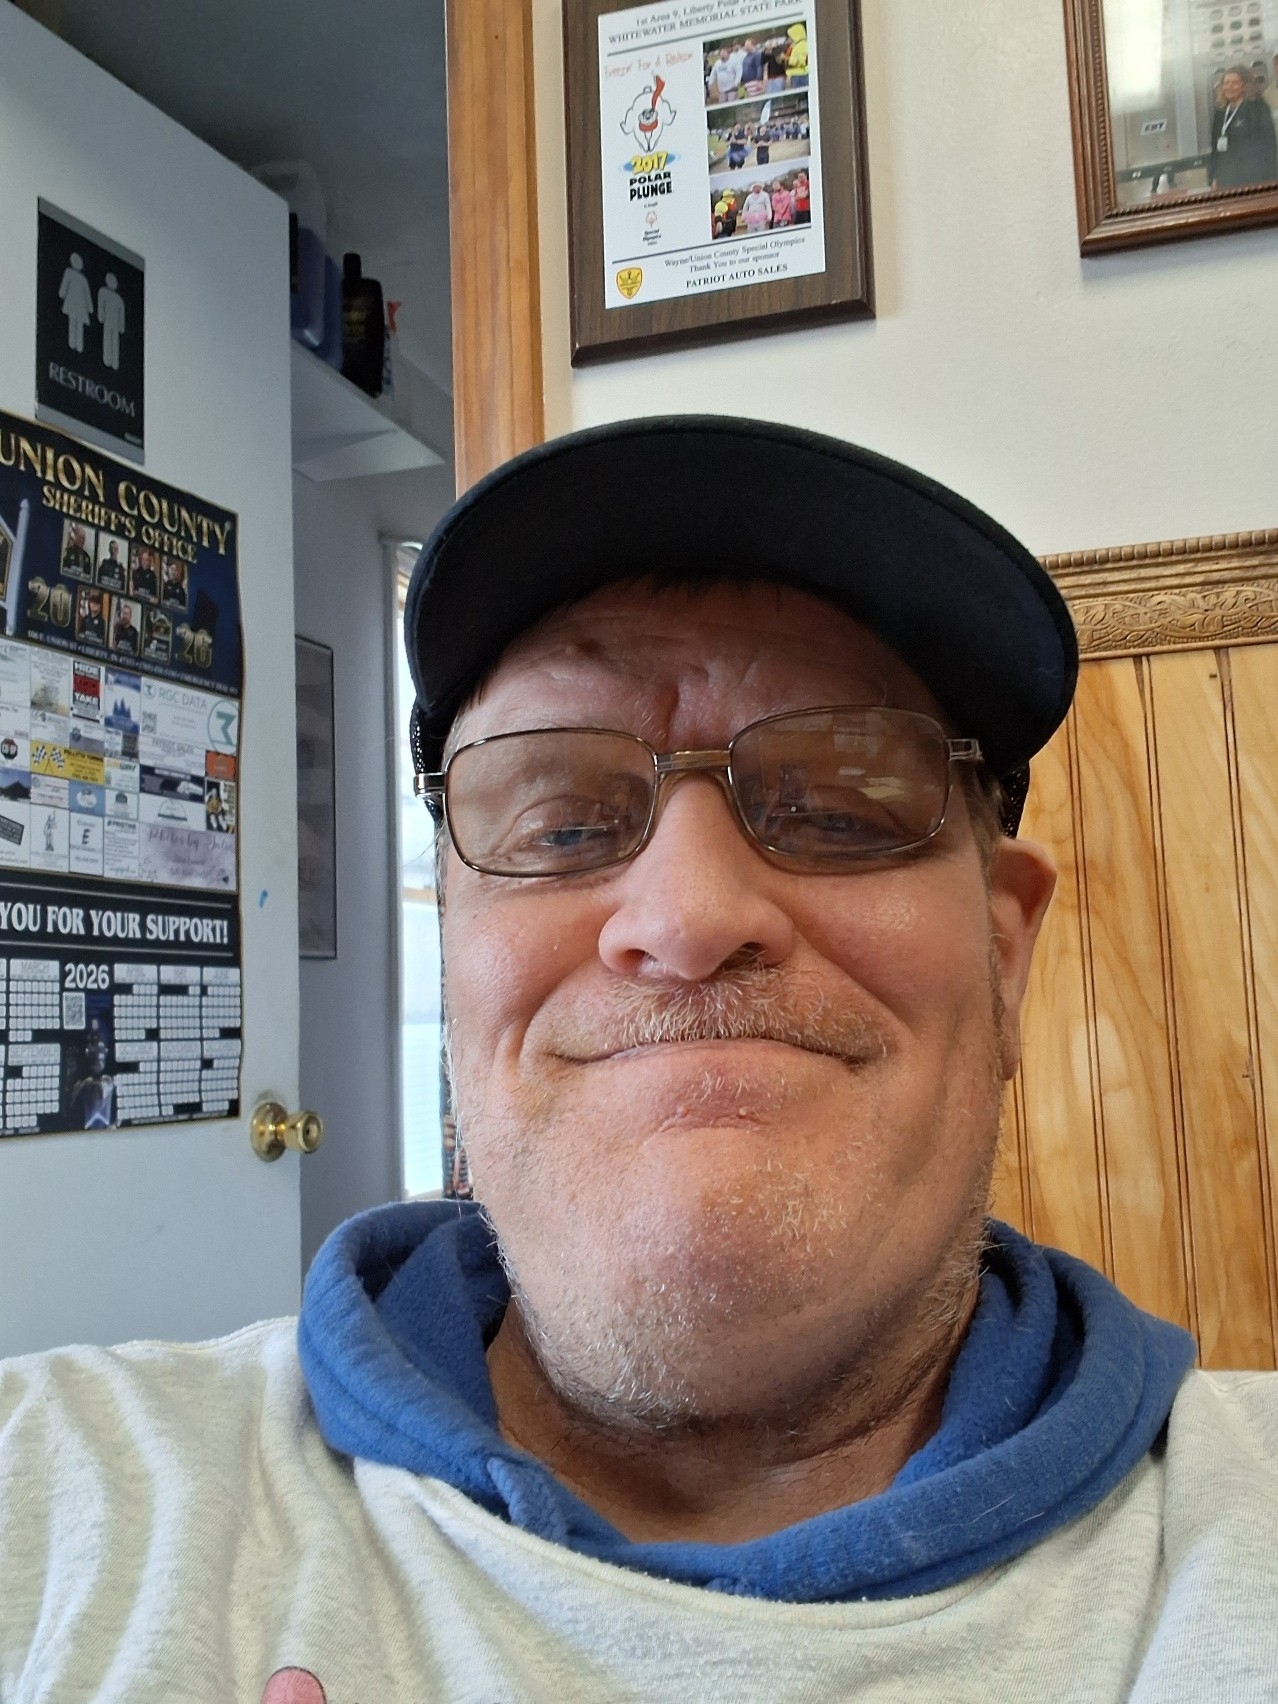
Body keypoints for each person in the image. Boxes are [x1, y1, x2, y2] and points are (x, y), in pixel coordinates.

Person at [1, 418, 1275, 1697]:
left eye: (840, 810)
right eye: (561, 827)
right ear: (453, 949)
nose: (689, 916)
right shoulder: (44, 1488)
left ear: (1003, 956)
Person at [1208, 64, 1278, 190]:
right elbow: (1215, 150)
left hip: (1254, 177)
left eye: (1235, 83)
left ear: (1245, 85)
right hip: (1227, 179)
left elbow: (1269, 145)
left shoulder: (1258, 108)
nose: (1229, 87)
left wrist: (1271, 178)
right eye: (1226, 83)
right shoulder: (1220, 113)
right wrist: (1213, 176)